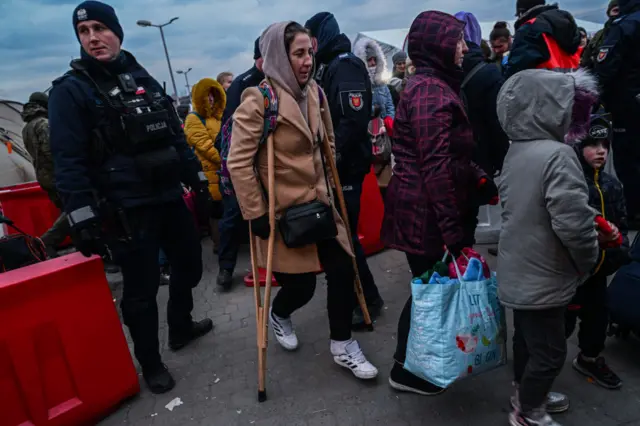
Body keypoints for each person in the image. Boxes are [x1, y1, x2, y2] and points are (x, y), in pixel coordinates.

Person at [48, 0, 213, 393]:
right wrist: (82, 217)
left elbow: (175, 135)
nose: (93, 38)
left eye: (100, 29)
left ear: (116, 32)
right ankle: (151, 362)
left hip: (169, 196)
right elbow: (67, 163)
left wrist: (199, 181)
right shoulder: (70, 92)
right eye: (84, 32)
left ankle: (180, 327)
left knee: (189, 265)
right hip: (126, 209)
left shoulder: (144, 79)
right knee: (140, 292)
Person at [227, 21, 379, 380]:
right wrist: (256, 212)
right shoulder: (258, 100)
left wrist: (334, 188)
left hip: (320, 206)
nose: (308, 60)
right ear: (280, 56)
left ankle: (342, 344)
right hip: (283, 214)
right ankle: (279, 315)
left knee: (343, 268)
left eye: (309, 51)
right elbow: (238, 161)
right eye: (298, 53)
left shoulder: (315, 93)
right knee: (301, 286)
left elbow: (327, 145)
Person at [381, 10, 497, 396]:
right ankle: (406, 369)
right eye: (457, 40)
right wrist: (452, 233)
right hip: (426, 215)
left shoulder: (437, 83)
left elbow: (451, 155)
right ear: (438, 45)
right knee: (430, 292)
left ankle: (414, 364)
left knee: (429, 289)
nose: (465, 47)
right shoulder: (430, 90)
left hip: (428, 211)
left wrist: (479, 176)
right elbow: (435, 166)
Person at [496, 68, 615, 426]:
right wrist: (589, 258)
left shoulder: (516, 151)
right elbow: (572, 224)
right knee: (550, 353)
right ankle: (529, 413)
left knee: (533, 343)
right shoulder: (558, 155)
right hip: (545, 272)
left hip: (519, 266)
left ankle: (527, 393)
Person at [305, 12, 385, 329]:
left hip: (346, 169)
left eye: (311, 38)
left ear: (321, 35)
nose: (309, 47)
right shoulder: (329, 65)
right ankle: (360, 297)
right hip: (338, 167)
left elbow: (351, 122)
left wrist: (330, 159)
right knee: (343, 239)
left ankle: (369, 300)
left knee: (346, 239)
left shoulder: (345, 64)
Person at [566, 114, 627, 390]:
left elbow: (622, 225)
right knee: (561, 324)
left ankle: (589, 357)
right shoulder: (571, 186)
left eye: (604, 144)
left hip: (600, 270)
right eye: (592, 144)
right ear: (578, 147)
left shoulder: (613, 185)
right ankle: (539, 370)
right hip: (573, 272)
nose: (600, 150)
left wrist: (619, 247)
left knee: (597, 319)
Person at [214, 37, 264, 290]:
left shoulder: (276, 80)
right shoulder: (243, 84)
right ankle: (225, 267)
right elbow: (228, 130)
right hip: (239, 160)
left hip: (264, 162)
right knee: (233, 216)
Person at [595, 0, 640, 229]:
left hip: (627, 104)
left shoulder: (624, 25)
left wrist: (594, 97)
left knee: (628, 160)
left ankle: (633, 212)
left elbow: (606, 67)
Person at [21, 92, 70, 254]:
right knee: (74, 210)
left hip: (43, 176)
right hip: (57, 174)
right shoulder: (44, 123)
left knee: (67, 211)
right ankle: (45, 241)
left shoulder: (27, 127)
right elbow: (52, 150)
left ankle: (52, 245)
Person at [184, 78, 226, 255]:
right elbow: (205, 146)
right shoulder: (193, 119)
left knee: (225, 208)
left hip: (223, 171)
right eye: (206, 95)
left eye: (212, 95)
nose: (210, 99)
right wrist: (227, 160)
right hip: (211, 172)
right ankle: (219, 245)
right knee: (215, 210)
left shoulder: (217, 117)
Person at [505, 0, 582, 77]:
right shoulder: (569, 25)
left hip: (542, 86)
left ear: (521, 12)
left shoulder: (529, 29)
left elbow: (515, 72)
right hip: (573, 84)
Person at [354, 37, 395, 120]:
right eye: (369, 60)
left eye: (375, 59)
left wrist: (389, 122)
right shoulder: (358, 85)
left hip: (383, 130)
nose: (373, 63)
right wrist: (373, 110)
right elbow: (357, 109)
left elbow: (390, 106)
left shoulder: (382, 85)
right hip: (366, 130)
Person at [581, 0, 619, 69]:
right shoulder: (599, 35)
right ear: (609, 13)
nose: (618, 14)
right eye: (616, 10)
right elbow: (586, 59)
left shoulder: (633, 33)